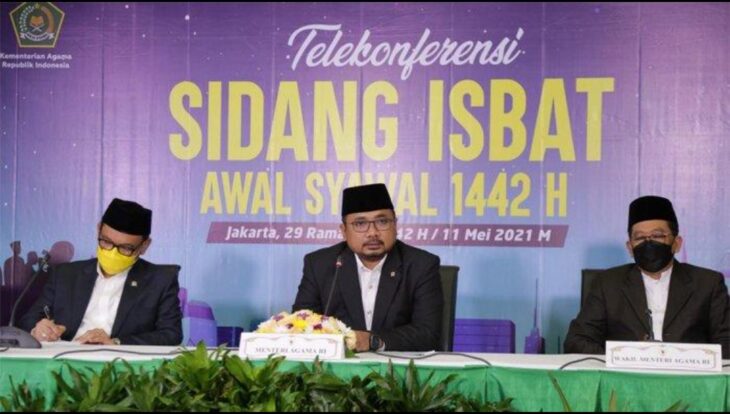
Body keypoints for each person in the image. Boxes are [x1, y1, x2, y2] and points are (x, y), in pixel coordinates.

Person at [565, 196, 730, 358]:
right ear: (630, 247)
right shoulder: (607, 284)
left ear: (676, 243)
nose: (648, 242)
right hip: (626, 374)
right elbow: (577, 340)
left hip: (689, 374)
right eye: (640, 238)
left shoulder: (708, 284)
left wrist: (689, 360)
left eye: (657, 235)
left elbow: (727, 341)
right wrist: (623, 358)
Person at [293, 183, 443, 352]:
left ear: (395, 225)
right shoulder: (319, 264)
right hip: (338, 365)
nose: (372, 233)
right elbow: (301, 324)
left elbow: (428, 333)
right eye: (360, 224)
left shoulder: (421, 265)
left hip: (398, 365)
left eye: (382, 221)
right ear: (343, 231)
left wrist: (373, 341)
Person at [18, 198, 183, 346]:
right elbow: (28, 320)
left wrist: (116, 342)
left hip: (120, 363)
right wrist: (38, 329)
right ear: (98, 230)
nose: (112, 252)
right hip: (64, 357)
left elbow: (171, 334)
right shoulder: (66, 274)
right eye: (106, 241)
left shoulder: (160, 280)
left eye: (126, 248)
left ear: (144, 246)